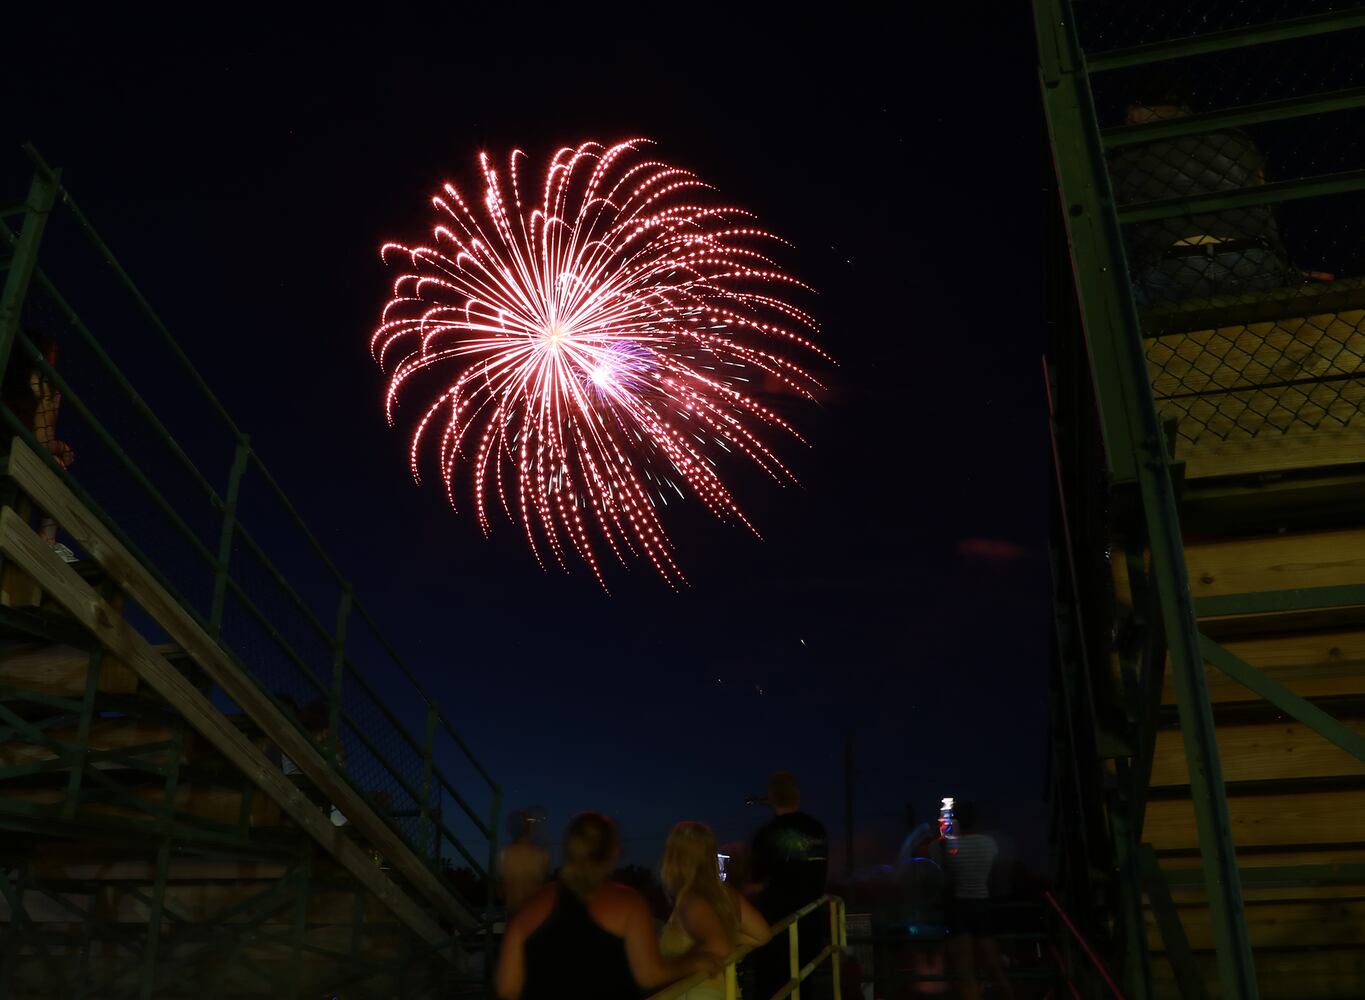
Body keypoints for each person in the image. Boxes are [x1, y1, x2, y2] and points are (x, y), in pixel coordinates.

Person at [1108, 80, 1296, 305]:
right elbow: (1265, 207)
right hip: (1250, 261)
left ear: (1134, 111)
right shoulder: (1233, 138)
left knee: (1122, 299)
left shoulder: (1125, 154)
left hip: (1174, 267)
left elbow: (1120, 234)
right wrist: (1286, 268)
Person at [496, 812, 720, 1000]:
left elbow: (506, 988)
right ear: (613, 851)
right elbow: (650, 974)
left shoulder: (531, 906)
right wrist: (696, 961)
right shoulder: (627, 903)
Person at [659, 821, 771, 999]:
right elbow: (762, 934)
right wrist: (727, 935)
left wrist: (665, 971)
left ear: (674, 857)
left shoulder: (692, 898)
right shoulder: (726, 893)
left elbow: (719, 947)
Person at [747, 771, 828, 998]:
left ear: (771, 797)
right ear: (797, 795)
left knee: (773, 990)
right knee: (804, 987)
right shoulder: (817, 829)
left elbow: (756, 883)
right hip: (811, 925)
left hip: (776, 929)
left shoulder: (766, 835)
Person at [941, 801, 1013, 1000]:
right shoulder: (989, 843)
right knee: (993, 965)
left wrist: (946, 815)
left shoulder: (953, 844)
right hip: (983, 903)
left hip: (960, 905)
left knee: (965, 970)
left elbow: (946, 862)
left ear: (957, 822)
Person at [500, 809, 551, 913]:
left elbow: (500, 892)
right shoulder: (541, 855)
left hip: (515, 914)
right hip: (534, 914)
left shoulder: (505, 854)